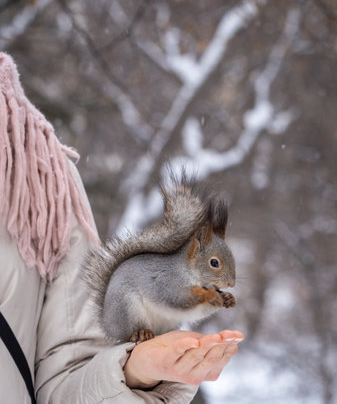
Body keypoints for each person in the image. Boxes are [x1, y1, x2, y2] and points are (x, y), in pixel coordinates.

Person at [0, 52, 243, 403]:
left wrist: (136, 375)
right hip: (133, 300)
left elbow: (65, 377)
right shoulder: (177, 275)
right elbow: (174, 296)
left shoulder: (41, 179)